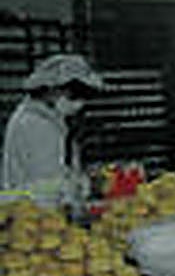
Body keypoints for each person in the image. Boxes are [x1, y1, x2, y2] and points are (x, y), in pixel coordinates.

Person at [2, 54, 103, 206]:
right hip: (31, 209)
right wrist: (83, 185)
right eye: (73, 94)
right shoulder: (34, 124)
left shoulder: (50, 121)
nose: (78, 103)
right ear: (50, 89)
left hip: (40, 207)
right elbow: (49, 184)